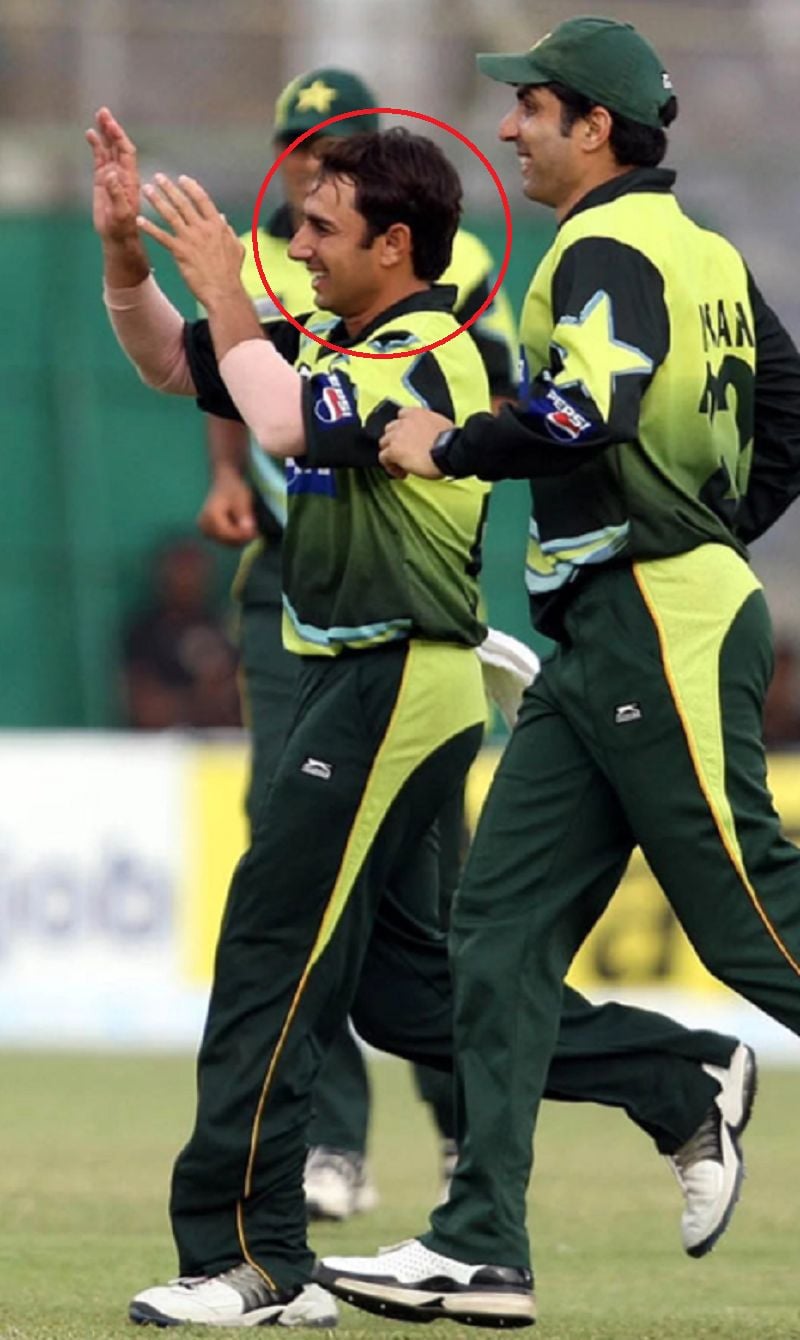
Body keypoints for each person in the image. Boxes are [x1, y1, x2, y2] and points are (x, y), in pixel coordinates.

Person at [90, 107, 756, 1330]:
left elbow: (281, 418)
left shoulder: (437, 349)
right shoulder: (327, 328)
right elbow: (170, 362)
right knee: (406, 997)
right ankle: (677, 1071)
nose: (293, 244)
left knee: (266, 952)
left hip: (393, 683)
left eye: (318, 226)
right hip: (366, 682)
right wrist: (130, 259)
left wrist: (224, 294)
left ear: (395, 245)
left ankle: (253, 1259)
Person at [316, 15, 800, 1329]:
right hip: (614, 622)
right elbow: (791, 408)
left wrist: (446, 441)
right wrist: (717, 532)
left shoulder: (603, 246)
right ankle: (483, 1247)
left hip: (653, 615)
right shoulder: (700, 251)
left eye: (530, 107)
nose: (512, 127)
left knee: (758, 921)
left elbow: (588, 412)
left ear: (594, 127)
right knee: (496, 937)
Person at [198, 66, 519, 1222]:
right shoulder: (292, 255)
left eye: (324, 153)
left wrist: (230, 311)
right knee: (302, 900)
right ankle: (322, 1155)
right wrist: (229, 470)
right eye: (293, 147)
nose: (300, 176)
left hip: (399, 624)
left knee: (420, 907)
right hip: (304, 601)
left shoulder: (434, 282)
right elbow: (226, 391)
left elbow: (288, 402)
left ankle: (478, 1132)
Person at [121, 535, 240, 729]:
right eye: (181, 570)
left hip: (227, 747)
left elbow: (244, 705)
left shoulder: (225, 627)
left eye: (196, 570)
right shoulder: (144, 633)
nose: (188, 580)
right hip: (160, 750)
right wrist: (200, 702)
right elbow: (145, 710)